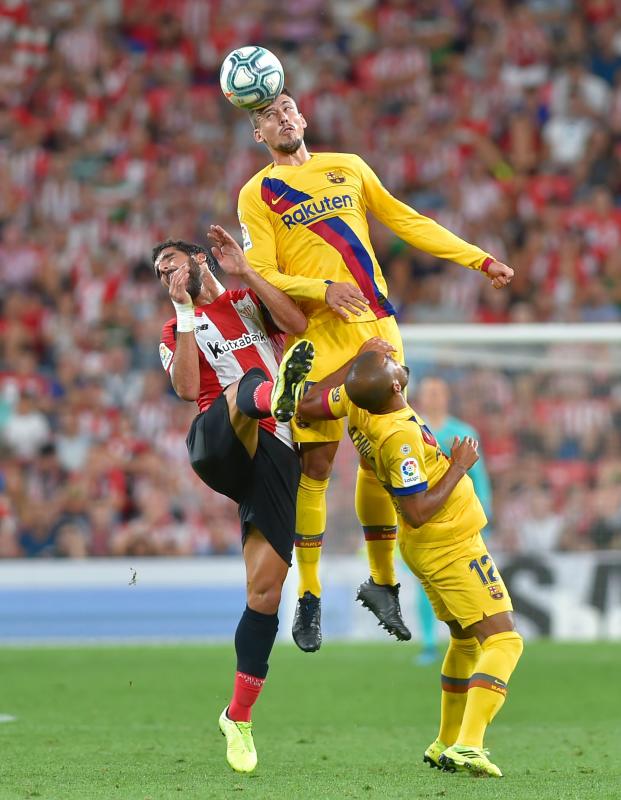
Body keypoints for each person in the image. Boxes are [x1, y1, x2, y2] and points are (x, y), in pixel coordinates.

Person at [237, 89, 514, 652]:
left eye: (287, 108)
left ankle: (383, 581)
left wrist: (478, 259)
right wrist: (320, 288)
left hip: (375, 328)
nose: (281, 117)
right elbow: (261, 272)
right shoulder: (256, 194)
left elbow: (408, 221)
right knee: (315, 466)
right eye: (268, 114)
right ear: (257, 134)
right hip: (316, 335)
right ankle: (309, 595)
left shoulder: (349, 168)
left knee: (383, 448)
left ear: (303, 117)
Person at [296, 344, 523, 778]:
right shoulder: (399, 436)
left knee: (463, 640)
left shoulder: (360, 404)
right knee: (504, 641)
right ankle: (470, 746)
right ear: (396, 385)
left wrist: (359, 357)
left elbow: (314, 401)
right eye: (391, 363)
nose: (397, 358)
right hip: (449, 543)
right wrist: (458, 468)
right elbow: (416, 511)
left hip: (430, 547)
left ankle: (445, 743)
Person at [154, 227, 313, 774]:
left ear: (200, 260)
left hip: (274, 452)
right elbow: (183, 387)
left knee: (266, 592)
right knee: (242, 388)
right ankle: (277, 394)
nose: (167, 277)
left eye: (173, 264)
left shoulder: (245, 299)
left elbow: (297, 325)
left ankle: (238, 716)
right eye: (160, 274)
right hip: (217, 441)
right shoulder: (177, 327)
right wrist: (186, 313)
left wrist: (245, 271)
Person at [413, 376, 493, 665]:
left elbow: (479, 476)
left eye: (438, 391)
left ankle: (472, 637)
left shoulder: (463, 431)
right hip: (426, 520)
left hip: (460, 520)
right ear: (419, 397)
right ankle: (429, 642)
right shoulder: (412, 430)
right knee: (427, 584)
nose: (433, 397)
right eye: (428, 392)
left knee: (470, 580)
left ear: (447, 396)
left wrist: (486, 509)